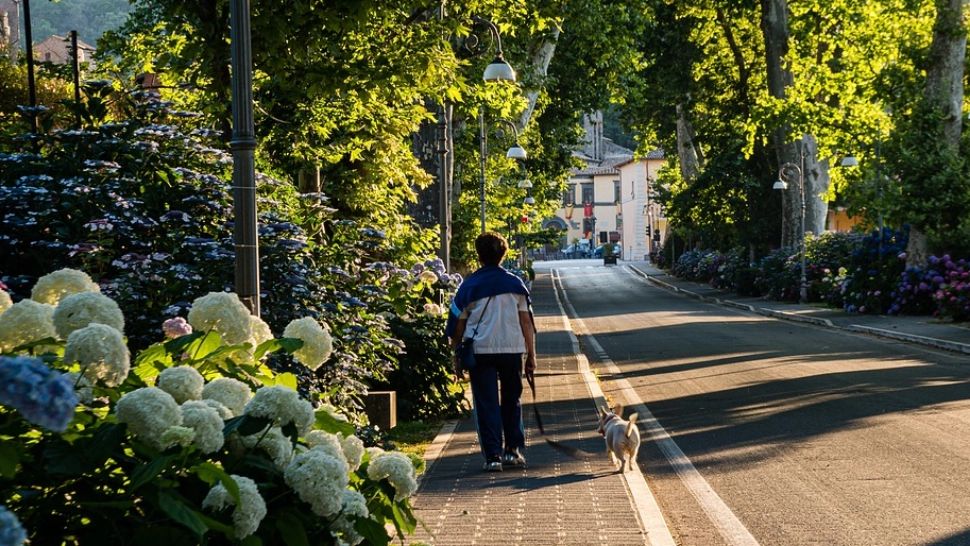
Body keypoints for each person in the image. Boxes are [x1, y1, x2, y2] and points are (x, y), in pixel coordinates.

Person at [446, 232, 537, 472]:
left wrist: (456, 354)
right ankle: (513, 451)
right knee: (512, 400)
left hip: (481, 351)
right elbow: (526, 322)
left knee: (486, 403)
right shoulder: (516, 284)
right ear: (503, 255)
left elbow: (458, 325)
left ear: (479, 255)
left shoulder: (469, 286)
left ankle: (493, 456)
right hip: (512, 349)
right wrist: (531, 355)